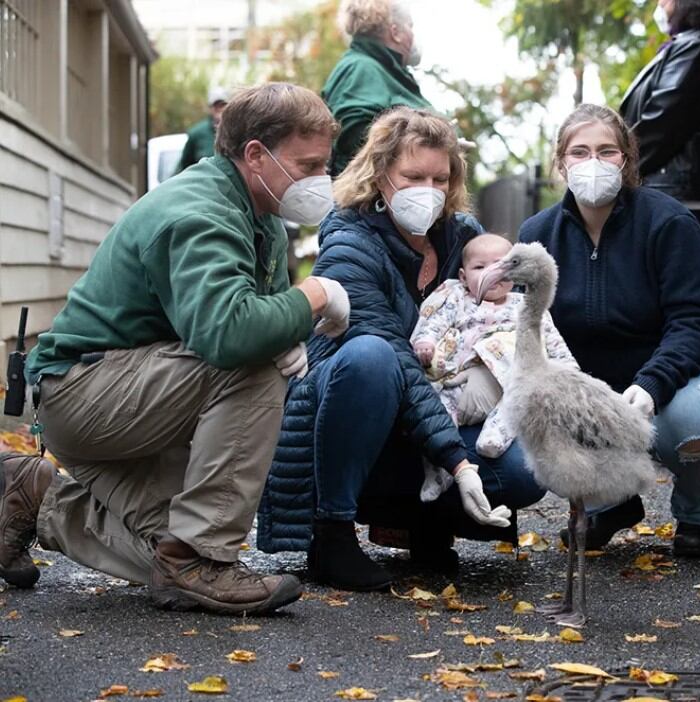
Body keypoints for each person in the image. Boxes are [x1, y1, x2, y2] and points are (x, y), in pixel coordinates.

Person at [1, 83, 350, 615]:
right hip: (81, 394)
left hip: (132, 395)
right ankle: (199, 559)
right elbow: (231, 335)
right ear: (255, 154)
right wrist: (316, 294)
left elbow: (261, 316)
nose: (320, 181)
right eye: (308, 165)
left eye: (325, 166)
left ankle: (35, 495)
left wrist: (287, 328)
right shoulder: (199, 213)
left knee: (160, 551)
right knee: (249, 364)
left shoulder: (259, 216)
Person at [257, 107, 546, 591]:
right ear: (380, 174)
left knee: (523, 471)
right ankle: (332, 531)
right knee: (373, 355)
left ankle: (423, 520)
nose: (427, 191)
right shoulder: (349, 242)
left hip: (440, 409)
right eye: (412, 176)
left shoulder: (467, 240)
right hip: (355, 414)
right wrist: (458, 462)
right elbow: (395, 357)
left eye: (439, 177)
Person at [518, 103, 700, 558]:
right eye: (579, 152)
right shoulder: (538, 234)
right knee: (540, 409)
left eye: (607, 151)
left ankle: (697, 516)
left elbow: (694, 323)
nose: (593, 162)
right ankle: (607, 504)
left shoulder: (670, 223)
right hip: (592, 383)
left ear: (627, 160)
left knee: (699, 421)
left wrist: (652, 383)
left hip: (681, 370)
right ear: (561, 164)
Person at [410, 234, 577, 496]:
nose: (494, 273)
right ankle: (440, 471)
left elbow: (553, 342)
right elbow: (434, 322)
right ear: (464, 277)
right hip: (457, 380)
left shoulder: (525, 305)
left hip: (506, 387)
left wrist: (569, 371)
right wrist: (426, 342)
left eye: (502, 265)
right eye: (480, 267)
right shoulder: (456, 298)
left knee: (521, 401)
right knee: (436, 416)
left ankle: (495, 439)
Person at [619, 0, 700, 282]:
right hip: (676, 192)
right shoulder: (690, 45)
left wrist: (617, 166)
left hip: (682, 195)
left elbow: (661, 123)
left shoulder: (699, 46)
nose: (660, 4)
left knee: (676, 298)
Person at [323, 0, 433, 176]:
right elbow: (355, 138)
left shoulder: (384, 71)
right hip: (370, 197)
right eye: (410, 26)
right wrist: (430, 145)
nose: (413, 34)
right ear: (395, 32)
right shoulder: (361, 68)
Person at [176, 86, 229, 173]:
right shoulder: (196, 133)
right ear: (210, 108)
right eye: (216, 105)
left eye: (222, 105)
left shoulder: (236, 131)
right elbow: (184, 166)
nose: (219, 109)